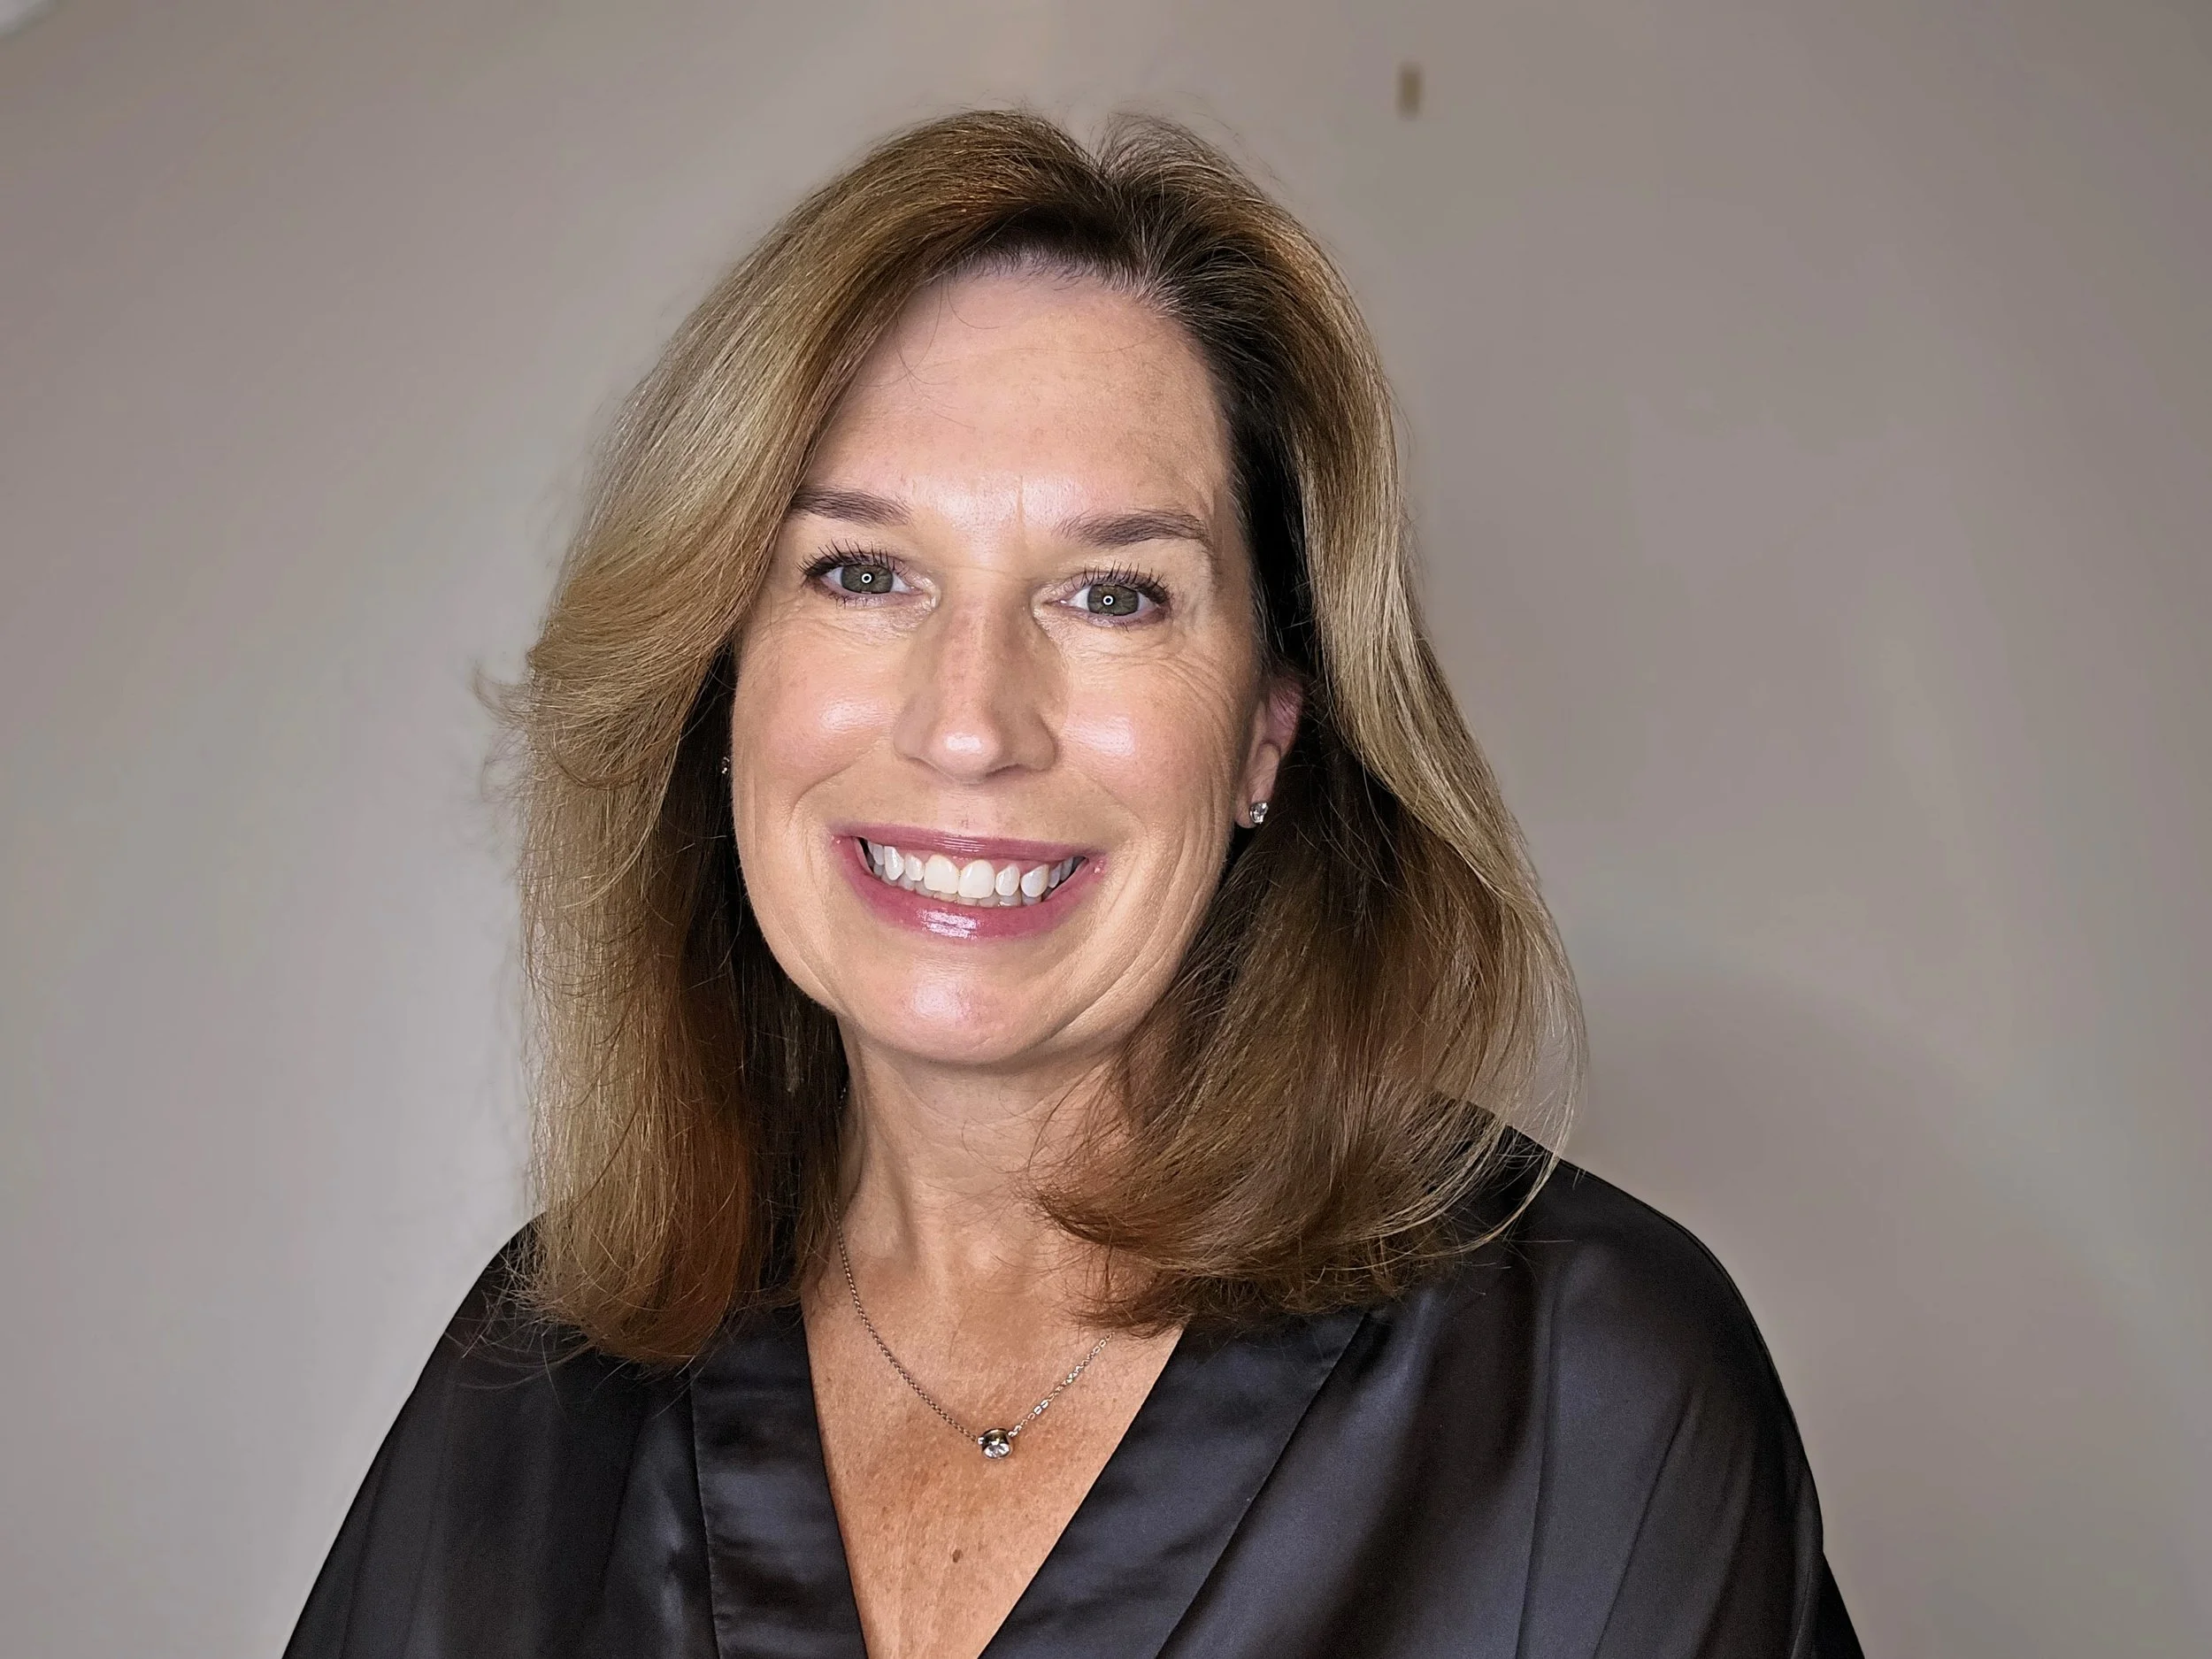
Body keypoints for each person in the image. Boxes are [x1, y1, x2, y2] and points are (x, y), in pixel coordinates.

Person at [286, 111, 1862, 1659]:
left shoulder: (1592, 1392)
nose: (970, 721)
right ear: (721, 677)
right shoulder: (539, 1384)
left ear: (1265, 734)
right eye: (861, 572)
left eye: (1114, 594)